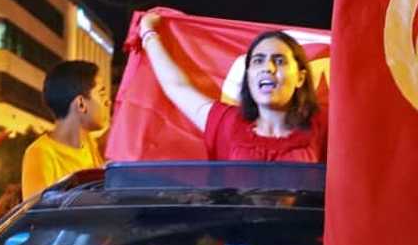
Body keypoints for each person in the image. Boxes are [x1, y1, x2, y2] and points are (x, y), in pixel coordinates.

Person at [138, 12, 325, 162]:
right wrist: (149, 34)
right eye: (258, 61)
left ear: (300, 78)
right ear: (248, 75)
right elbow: (176, 87)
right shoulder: (226, 123)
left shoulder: (324, 127)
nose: (268, 68)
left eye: (279, 60)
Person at [21, 60, 109, 198]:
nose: (108, 102)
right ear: (81, 103)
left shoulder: (92, 145)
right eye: (102, 93)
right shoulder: (40, 153)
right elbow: (38, 214)